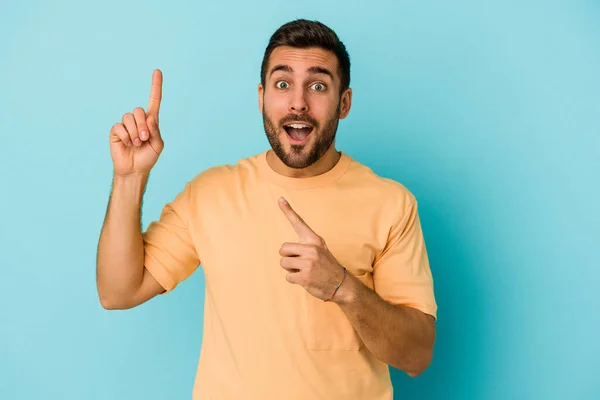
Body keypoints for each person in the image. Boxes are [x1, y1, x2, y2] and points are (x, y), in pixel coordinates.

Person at [96, 19, 437, 400]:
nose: (297, 101)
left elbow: (417, 356)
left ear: (344, 103)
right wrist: (129, 178)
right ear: (261, 97)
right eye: (282, 83)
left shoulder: (391, 204)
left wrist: (342, 286)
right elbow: (117, 292)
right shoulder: (210, 193)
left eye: (318, 85)